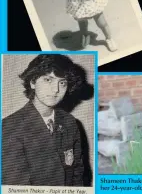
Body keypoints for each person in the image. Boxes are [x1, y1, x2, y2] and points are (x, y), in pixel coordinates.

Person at [2, 54, 85, 186]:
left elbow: (77, 174)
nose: (55, 89)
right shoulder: (10, 127)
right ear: (33, 82)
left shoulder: (70, 122)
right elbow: (16, 186)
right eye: (48, 80)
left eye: (62, 82)